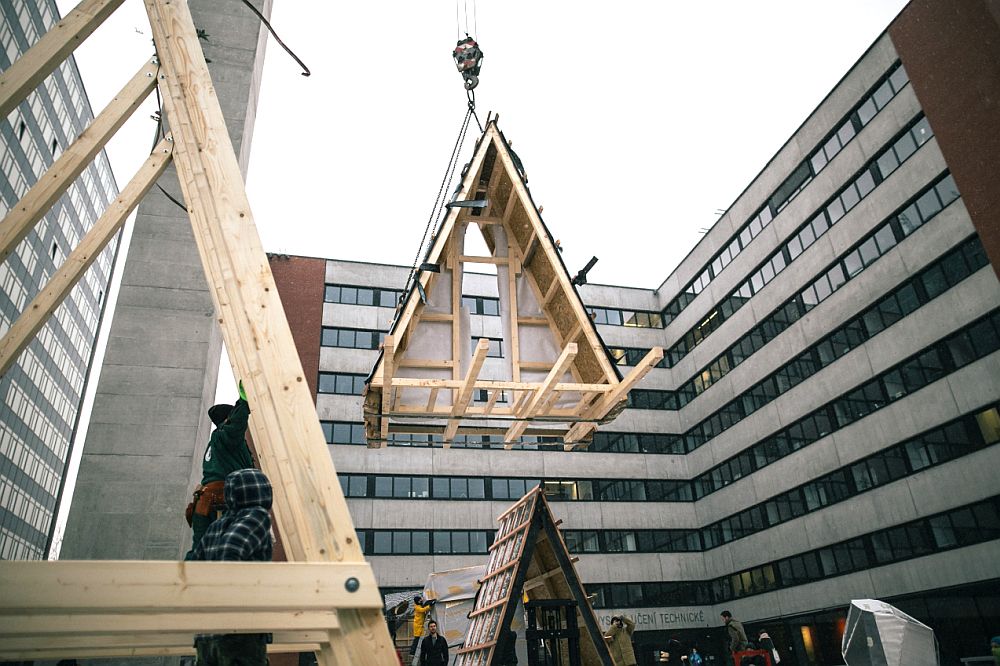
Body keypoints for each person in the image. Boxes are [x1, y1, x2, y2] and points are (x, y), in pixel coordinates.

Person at [191, 468, 274, 666]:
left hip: (206, 633)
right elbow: (229, 552)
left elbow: (194, 566)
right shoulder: (257, 516)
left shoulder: (217, 525)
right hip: (239, 630)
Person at [186, 382, 253, 559]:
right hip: (221, 503)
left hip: (205, 503)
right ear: (226, 421)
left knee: (200, 552)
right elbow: (236, 425)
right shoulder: (225, 436)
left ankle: (187, 576)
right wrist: (244, 402)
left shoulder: (216, 444)